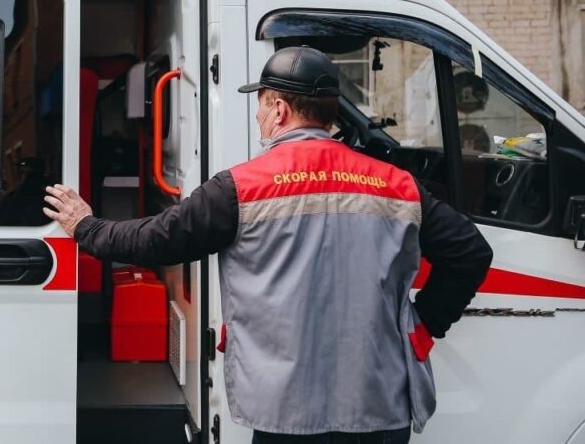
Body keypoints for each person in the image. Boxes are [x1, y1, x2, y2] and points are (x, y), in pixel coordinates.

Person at [43, 46, 493, 443]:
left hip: (287, 414)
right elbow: (471, 253)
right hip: (379, 407)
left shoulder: (240, 188)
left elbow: (158, 240)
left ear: (278, 110)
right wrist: (421, 326)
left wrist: (86, 227)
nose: (258, 116)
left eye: (259, 104)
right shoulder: (398, 185)